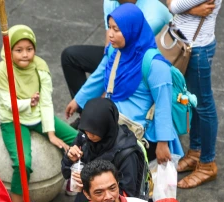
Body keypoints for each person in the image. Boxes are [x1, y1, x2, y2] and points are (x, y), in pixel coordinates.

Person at [66, 3, 184, 166]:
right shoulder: (115, 51)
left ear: (132, 30)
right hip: (114, 127)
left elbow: (163, 105)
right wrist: (78, 100)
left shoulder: (155, 65)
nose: (111, 34)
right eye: (110, 27)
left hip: (141, 135)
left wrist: (163, 143)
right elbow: (100, 75)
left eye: (117, 30)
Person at [0, 25, 78, 202]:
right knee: (23, 163)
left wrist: (51, 133)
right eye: (19, 50)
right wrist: (27, 103)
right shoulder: (2, 70)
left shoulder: (41, 67)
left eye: (29, 50)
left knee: (79, 138)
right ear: (9, 50)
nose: (25, 55)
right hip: (13, 120)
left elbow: (45, 102)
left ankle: (73, 174)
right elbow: (8, 103)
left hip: (37, 116)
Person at [60, 0, 172, 104]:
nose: (111, 32)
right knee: (70, 57)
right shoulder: (111, 2)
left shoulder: (154, 16)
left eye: (116, 29)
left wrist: (108, 93)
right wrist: (81, 100)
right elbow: (109, 50)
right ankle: (86, 117)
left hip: (146, 67)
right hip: (122, 53)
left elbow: (130, 60)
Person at [168, 0, 223, 188]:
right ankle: (196, 152)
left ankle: (207, 164)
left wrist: (183, 7)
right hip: (186, 43)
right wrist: (192, 9)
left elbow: (174, 7)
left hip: (197, 48)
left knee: (204, 105)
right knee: (194, 101)